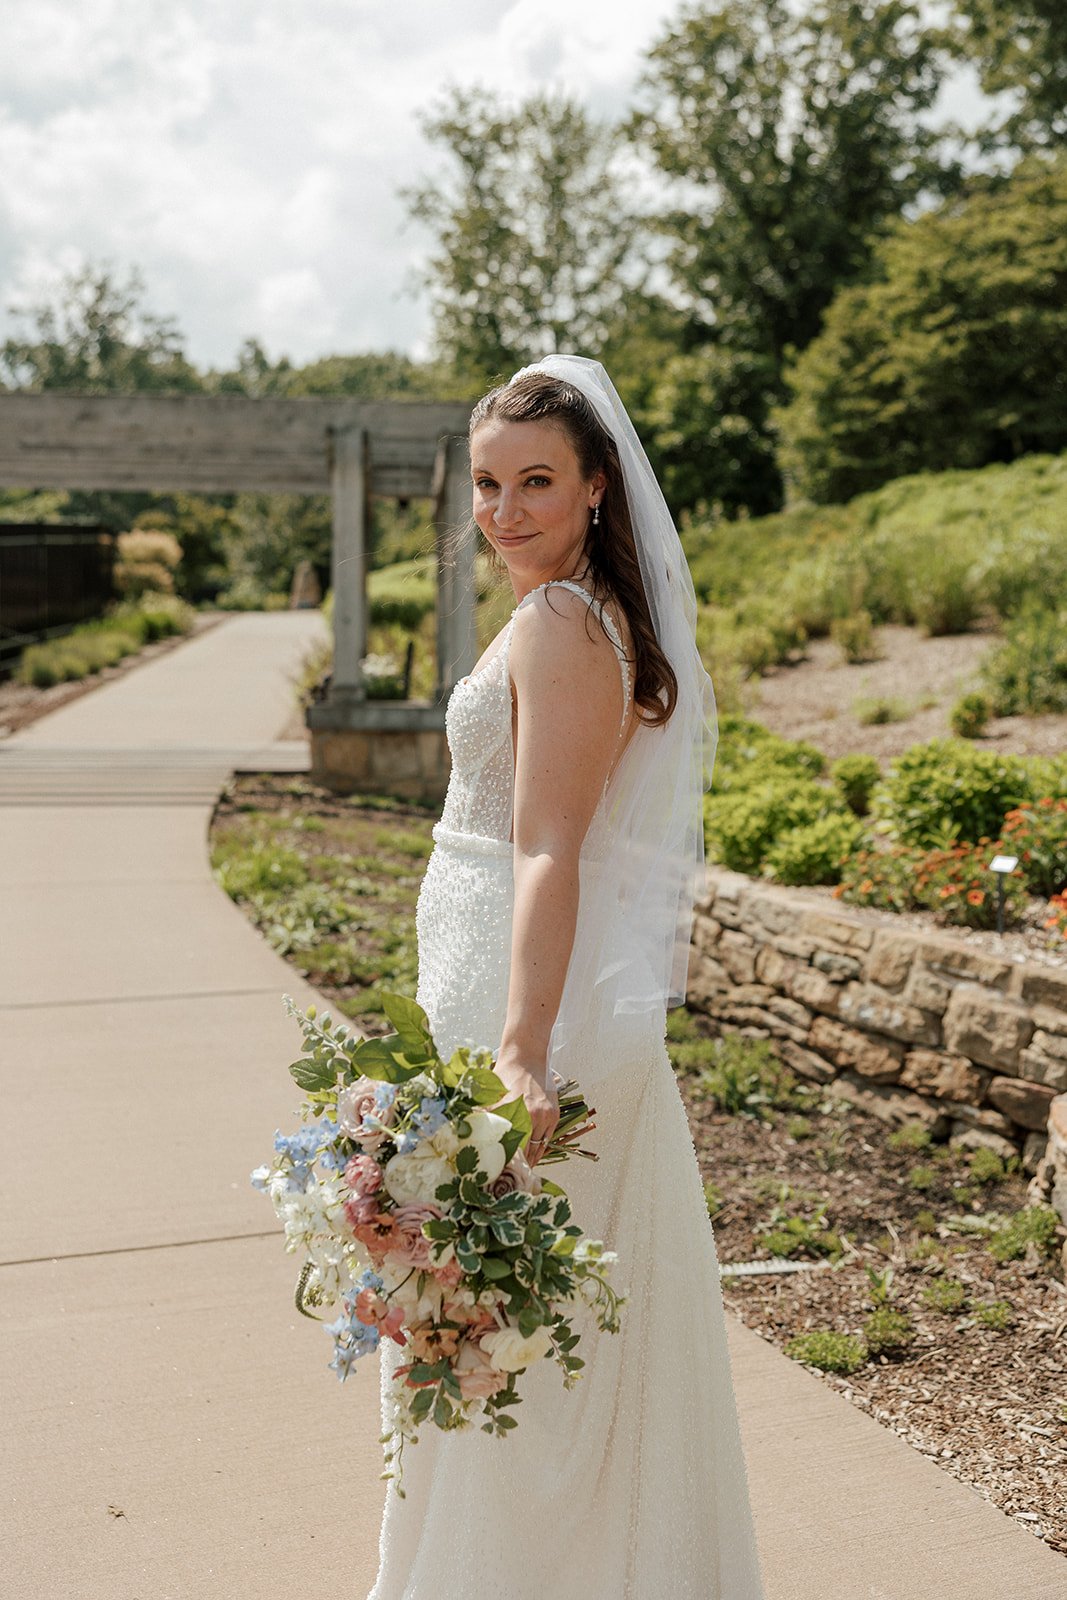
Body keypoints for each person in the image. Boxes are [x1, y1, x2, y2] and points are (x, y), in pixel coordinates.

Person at [367, 355, 766, 1600]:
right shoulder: (564, 610)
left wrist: (523, 1043)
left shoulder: (558, 623)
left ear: (598, 487)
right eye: (487, 484)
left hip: (520, 998)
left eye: (536, 480)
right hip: (491, 974)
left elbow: (549, 841)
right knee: (496, 1315)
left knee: (505, 1326)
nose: (504, 510)